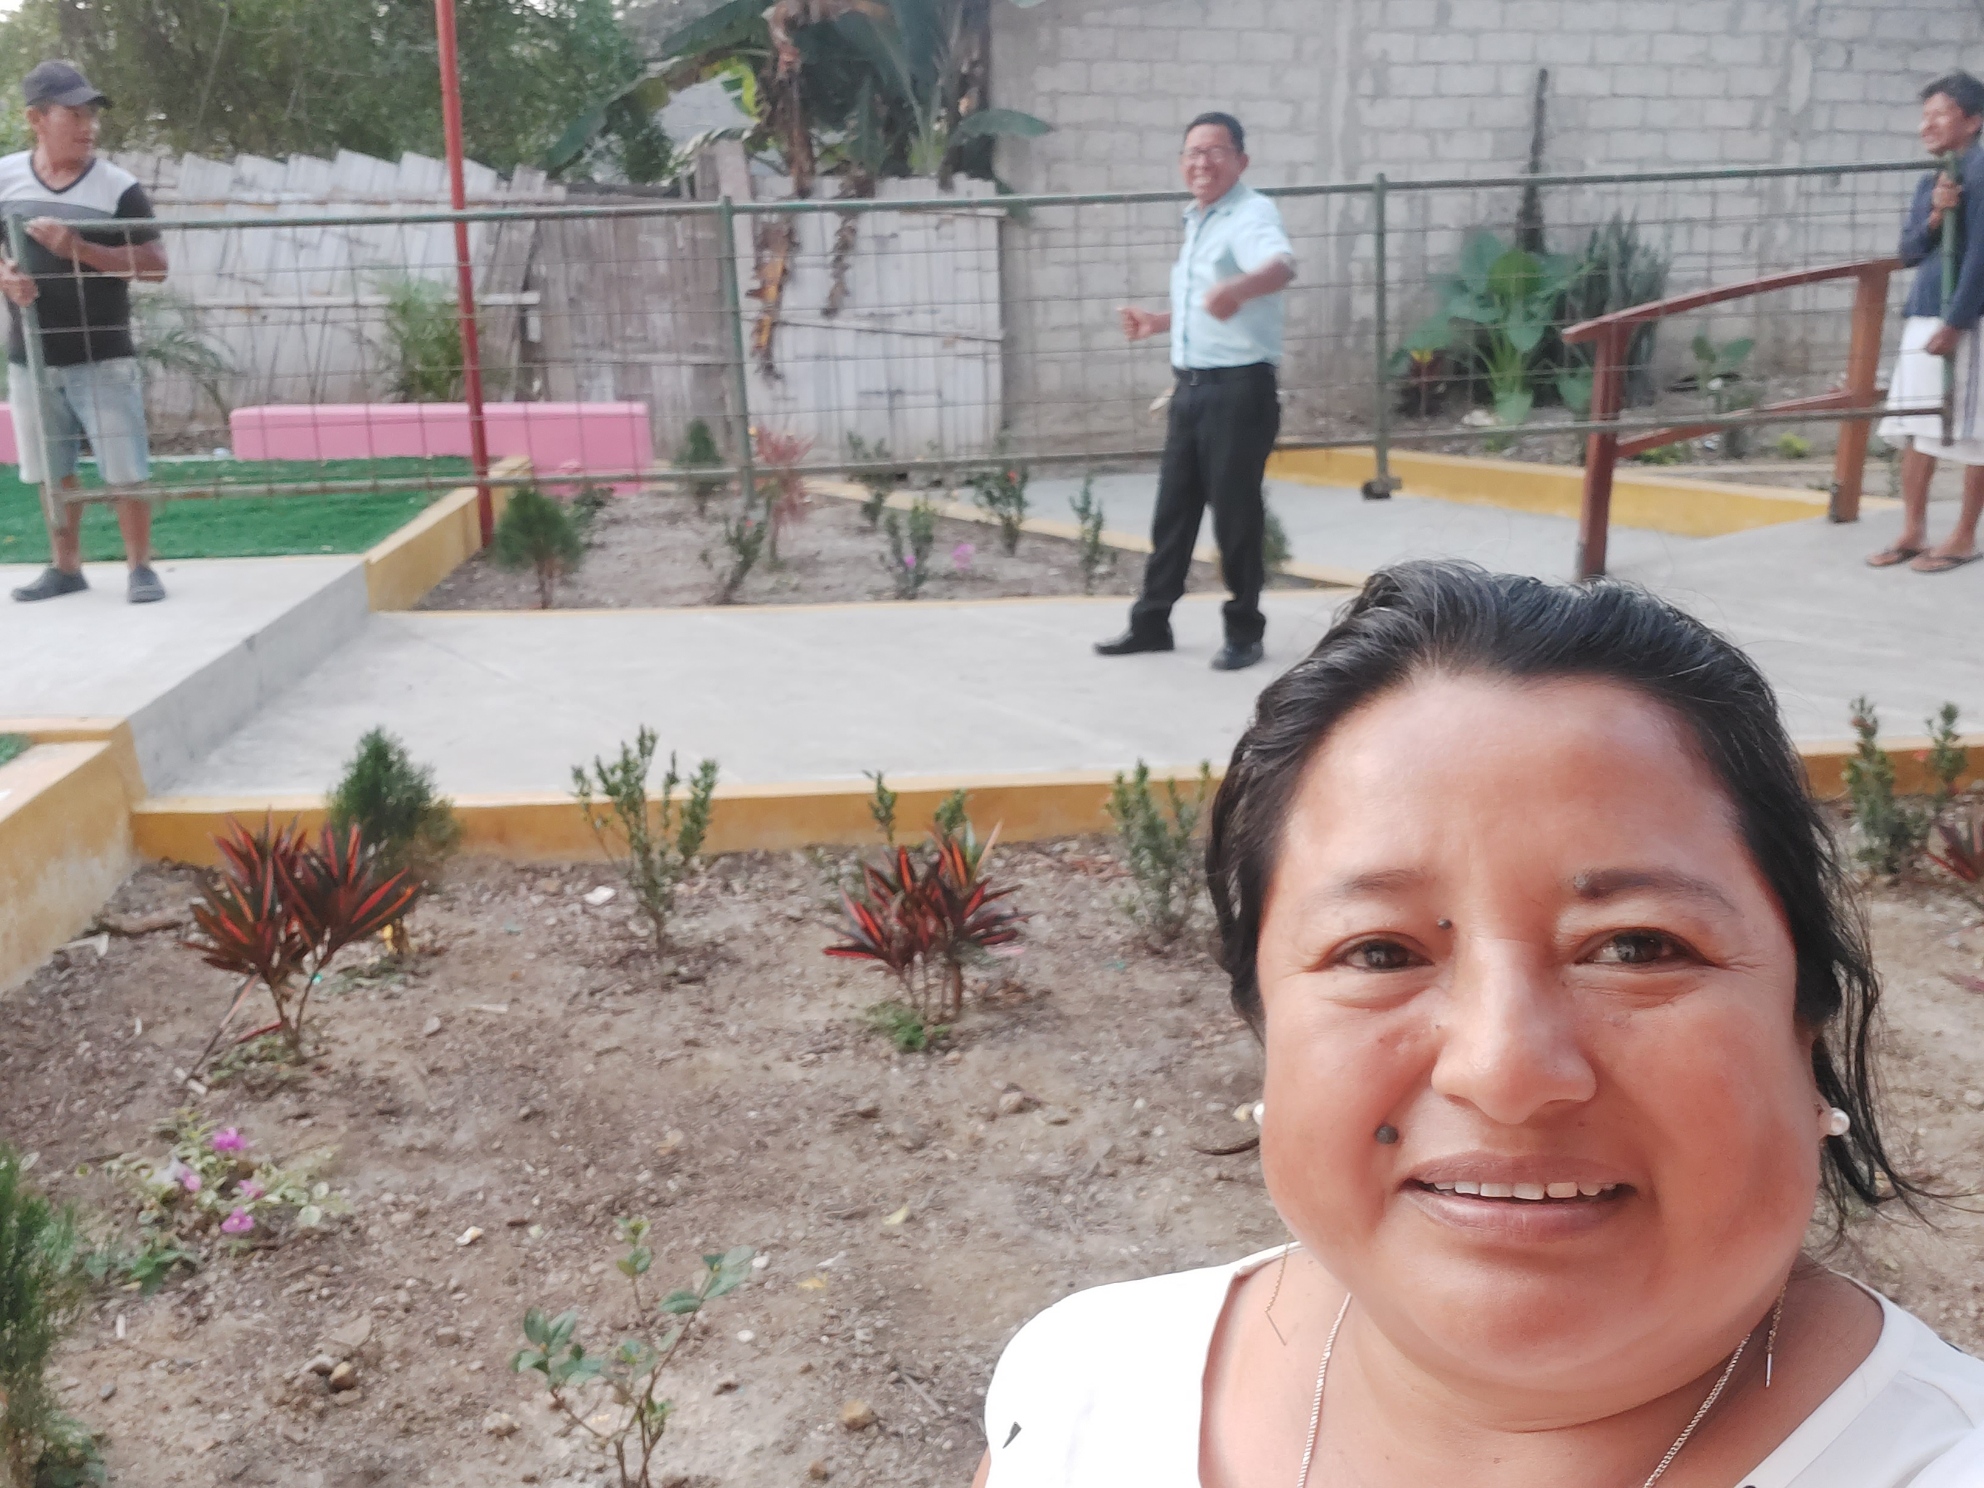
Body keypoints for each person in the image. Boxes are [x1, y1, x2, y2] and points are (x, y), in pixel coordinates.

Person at [975, 562, 1984, 1487]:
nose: (1503, 1070)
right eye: (1380, 953)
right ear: (1265, 1021)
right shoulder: (1082, 1393)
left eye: (1636, 947)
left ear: (1804, 1023)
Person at [1096, 111, 1295, 672]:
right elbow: (1206, 303)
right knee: (1173, 512)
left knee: (1235, 515)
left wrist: (1239, 289)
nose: (1201, 162)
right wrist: (1159, 322)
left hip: (1239, 390)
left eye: (1214, 151)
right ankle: (1151, 622)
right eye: (1192, 152)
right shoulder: (1198, 219)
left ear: (1241, 161)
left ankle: (1244, 631)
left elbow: (1281, 266)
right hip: (1191, 387)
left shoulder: (1251, 213)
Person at [2, 58, 169, 604]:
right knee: (53, 470)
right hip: (32, 355)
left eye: (91, 114)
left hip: (104, 353)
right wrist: (5, 276)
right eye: (74, 114)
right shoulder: (5, 177)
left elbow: (155, 265)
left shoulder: (119, 187)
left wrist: (79, 248)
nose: (88, 126)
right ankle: (66, 568)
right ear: (36, 119)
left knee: (124, 468)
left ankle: (140, 568)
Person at [1871, 72, 1984, 574]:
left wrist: (1957, 321)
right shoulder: (1935, 179)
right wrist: (1937, 215)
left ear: (1973, 120)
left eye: (1939, 115)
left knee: (1975, 429)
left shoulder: (1981, 173)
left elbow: (1982, 255)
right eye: (1925, 116)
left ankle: (1963, 536)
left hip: (1968, 319)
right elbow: (1909, 251)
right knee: (1915, 423)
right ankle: (1912, 530)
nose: (1926, 126)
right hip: (1925, 312)